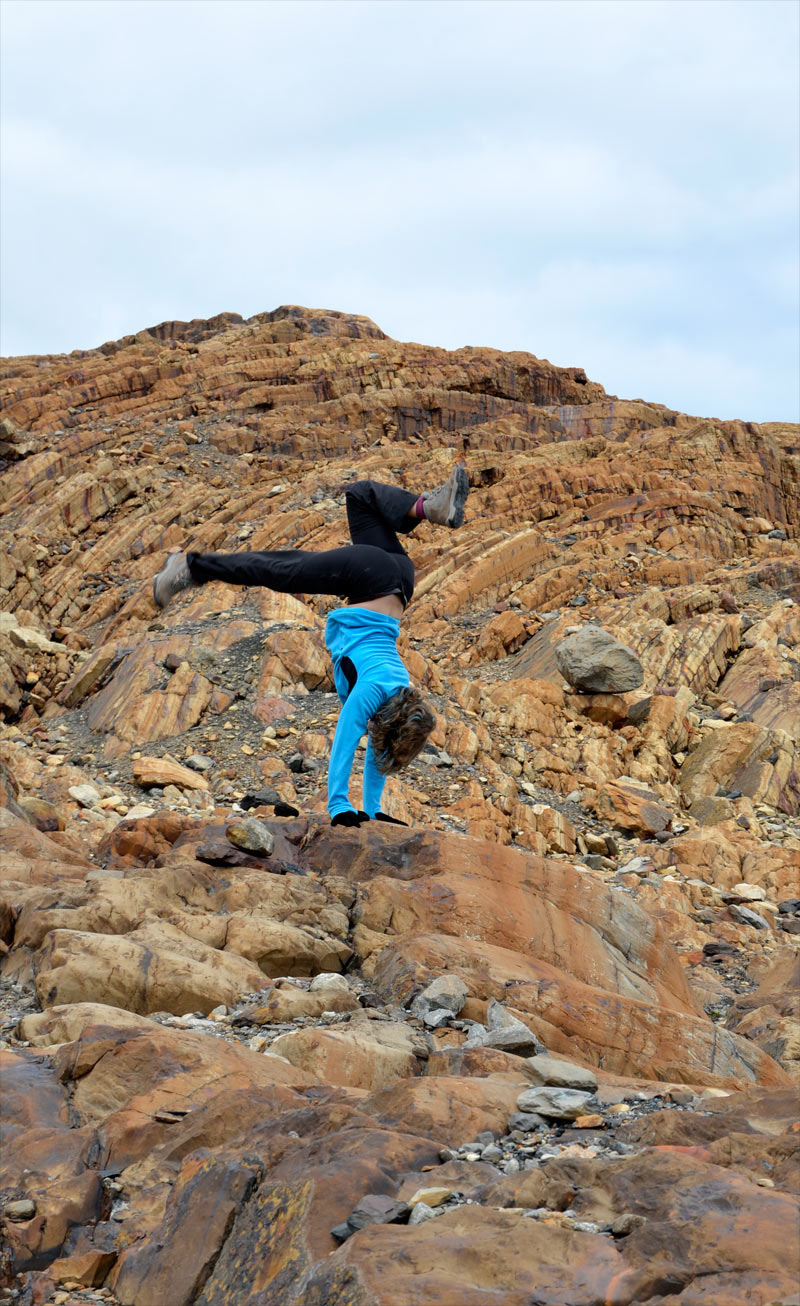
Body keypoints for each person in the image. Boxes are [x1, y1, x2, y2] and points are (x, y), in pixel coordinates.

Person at [152, 465, 469, 826]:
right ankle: (189, 568)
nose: (379, 742)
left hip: (400, 577)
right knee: (279, 570)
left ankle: (426, 508)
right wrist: (339, 806)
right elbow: (346, 744)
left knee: (360, 496)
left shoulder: (401, 692)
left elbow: (381, 748)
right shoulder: (371, 693)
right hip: (371, 577)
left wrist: (373, 811)